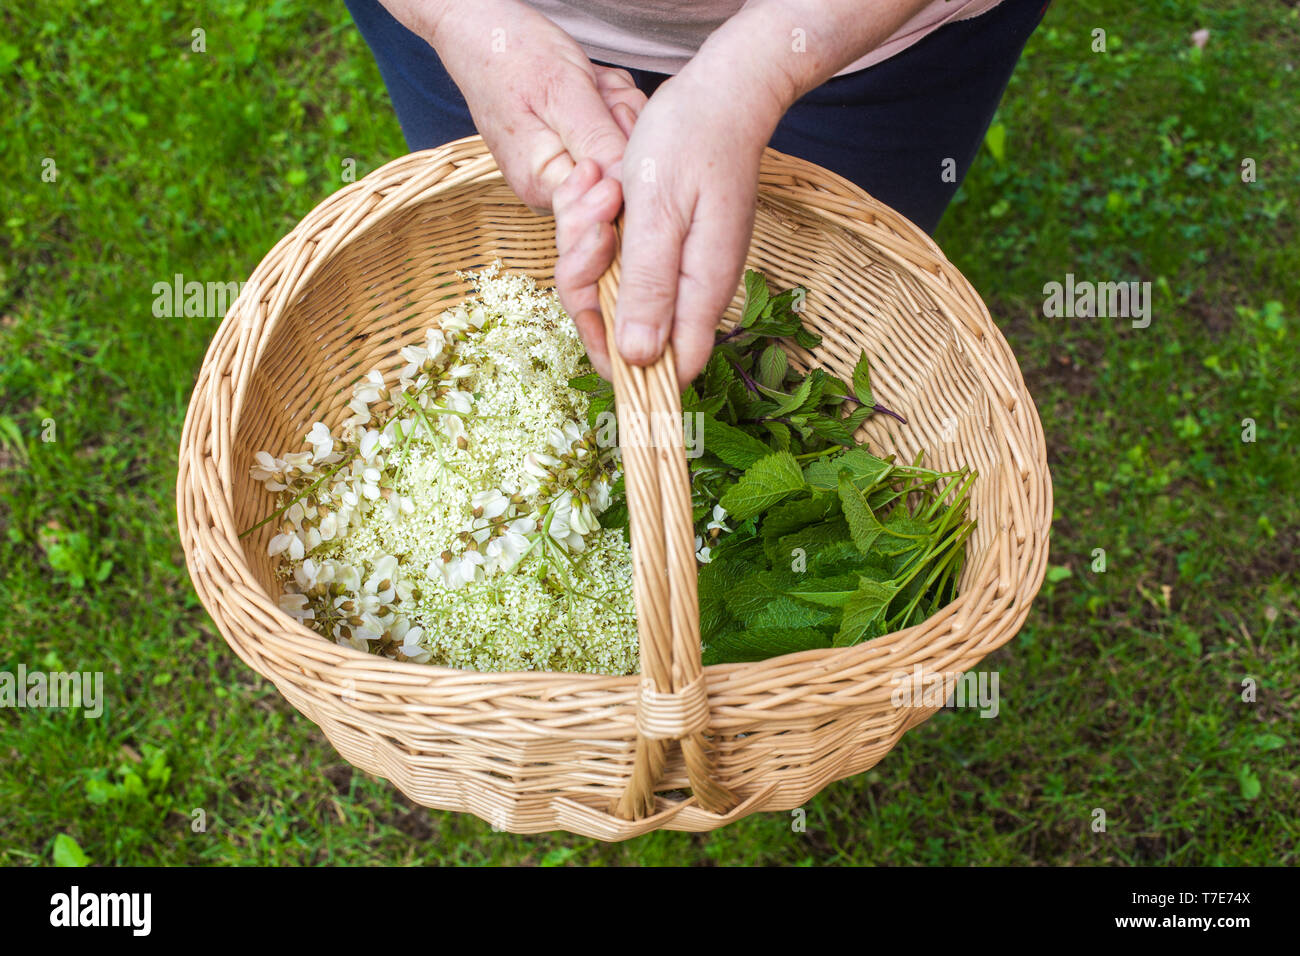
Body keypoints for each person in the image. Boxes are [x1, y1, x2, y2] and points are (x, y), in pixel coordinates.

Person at [344, 0, 1048, 385]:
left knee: (809, 327)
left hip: (875, 37)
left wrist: (761, 71)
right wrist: (457, 20)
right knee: (525, 306)